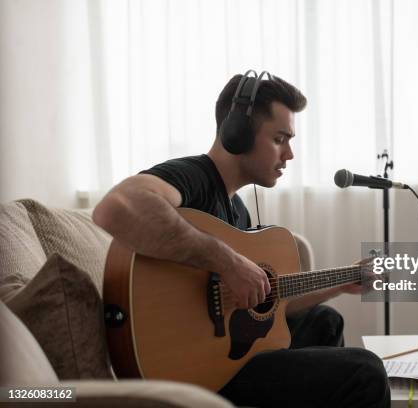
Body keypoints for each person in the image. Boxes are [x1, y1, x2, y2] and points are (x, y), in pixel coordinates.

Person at [93, 71, 390, 408]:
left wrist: (343, 282)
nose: (289, 154)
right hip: (194, 368)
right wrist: (227, 261)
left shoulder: (237, 208)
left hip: (228, 352)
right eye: (280, 139)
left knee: (325, 321)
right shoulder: (194, 176)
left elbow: (274, 304)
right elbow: (114, 209)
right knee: (366, 372)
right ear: (238, 134)